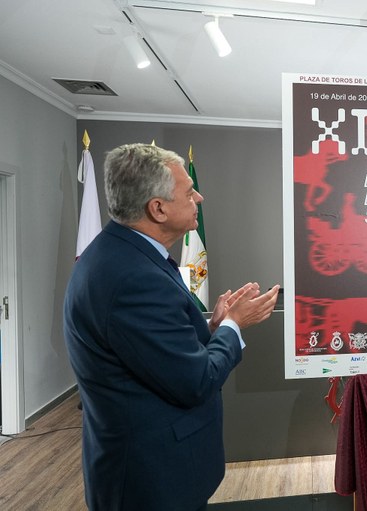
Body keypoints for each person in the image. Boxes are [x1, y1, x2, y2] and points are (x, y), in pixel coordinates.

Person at [63, 143, 280, 510]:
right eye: (188, 192)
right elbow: (196, 382)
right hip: (149, 479)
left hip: (148, 468)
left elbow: (154, 353)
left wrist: (212, 327)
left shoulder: (124, 254)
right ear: (158, 208)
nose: (199, 197)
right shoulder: (133, 278)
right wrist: (233, 324)